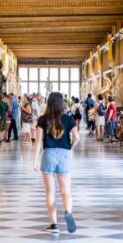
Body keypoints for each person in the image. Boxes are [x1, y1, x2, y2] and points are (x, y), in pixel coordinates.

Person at [33, 92, 79, 234]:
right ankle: (68, 211)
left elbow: (38, 141)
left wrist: (35, 159)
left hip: (49, 154)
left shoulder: (42, 119)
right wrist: (69, 148)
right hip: (64, 154)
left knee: (50, 192)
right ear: (61, 103)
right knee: (66, 191)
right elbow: (77, 137)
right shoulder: (68, 119)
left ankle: (54, 225)